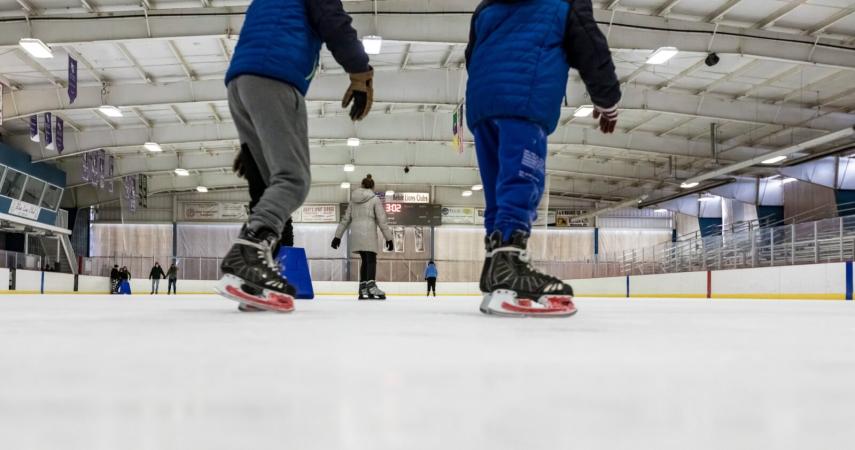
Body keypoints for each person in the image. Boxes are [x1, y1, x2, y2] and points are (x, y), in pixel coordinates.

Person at [466, 0, 621, 317]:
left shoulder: (486, 7)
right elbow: (591, 48)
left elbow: (472, 56)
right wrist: (608, 101)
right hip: (525, 96)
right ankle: (510, 265)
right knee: (523, 180)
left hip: (483, 103)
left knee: (498, 189)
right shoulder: (563, 2)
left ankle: (496, 265)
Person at [217, 0, 374, 312]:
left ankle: (254, 277)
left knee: (267, 185)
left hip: (240, 81)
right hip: (276, 75)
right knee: (294, 180)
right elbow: (334, 20)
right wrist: (360, 70)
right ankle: (248, 253)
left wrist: (257, 136)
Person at [332, 174, 393, 300]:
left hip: (356, 234)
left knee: (365, 260)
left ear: (362, 185)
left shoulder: (353, 200)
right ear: (372, 186)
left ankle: (363, 288)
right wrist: (389, 238)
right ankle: (371, 286)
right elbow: (382, 220)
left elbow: (345, 219)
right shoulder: (375, 199)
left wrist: (337, 236)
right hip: (369, 233)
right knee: (371, 260)